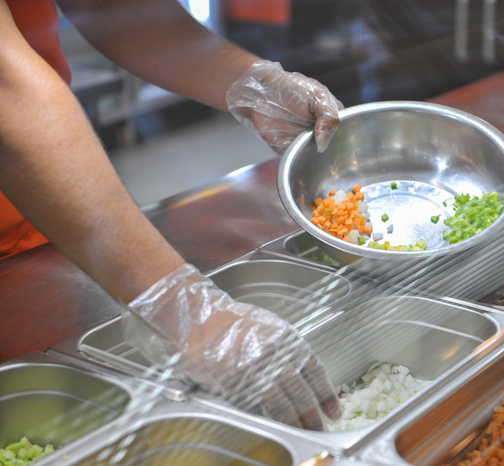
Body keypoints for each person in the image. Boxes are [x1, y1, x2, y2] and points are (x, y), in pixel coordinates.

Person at [0, 0, 343, 430]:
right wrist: (186, 307)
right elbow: (5, 89)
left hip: (45, 204)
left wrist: (250, 83)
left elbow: (106, 7)